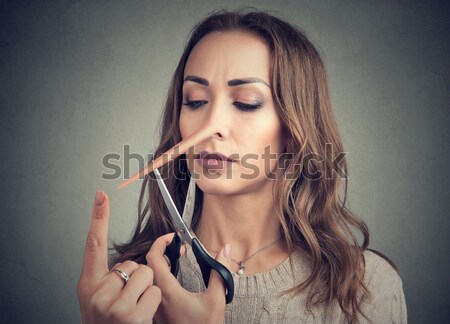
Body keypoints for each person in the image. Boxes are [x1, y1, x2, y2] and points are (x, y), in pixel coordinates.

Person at [77, 9, 407, 324]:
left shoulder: (366, 288)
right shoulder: (122, 294)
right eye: (195, 101)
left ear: (295, 130)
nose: (211, 124)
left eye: (245, 103)